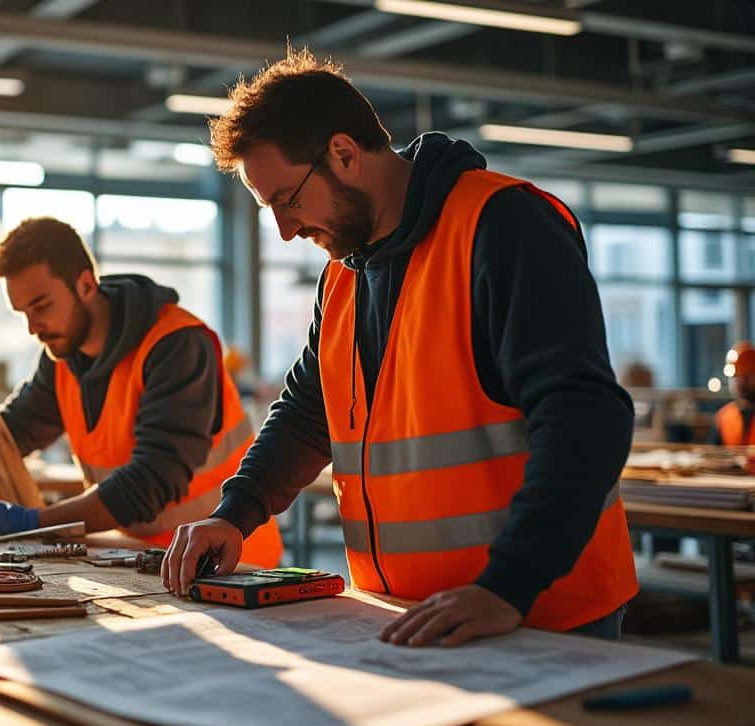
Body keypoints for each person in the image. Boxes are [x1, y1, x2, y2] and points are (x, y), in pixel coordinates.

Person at [162, 49, 638, 646]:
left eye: (288, 199)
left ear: (343, 154)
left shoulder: (503, 226)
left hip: (535, 613)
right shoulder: (344, 275)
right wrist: (235, 513)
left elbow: (585, 420)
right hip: (407, 616)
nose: (286, 229)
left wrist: (508, 585)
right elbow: (309, 415)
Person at [0, 217, 283, 567]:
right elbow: (18, 427)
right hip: (134, 557)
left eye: (42, 305)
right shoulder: (63, 355)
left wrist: (36, 523)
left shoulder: (176, 345)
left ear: (84, 284)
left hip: (229, 562)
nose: (34, 327)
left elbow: (150, 481)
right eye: (23, 313)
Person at [713, 342, 755, 445]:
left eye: (745, 377)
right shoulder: (724, 416)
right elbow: (712, 454)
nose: (739, 382)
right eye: (736, 377)